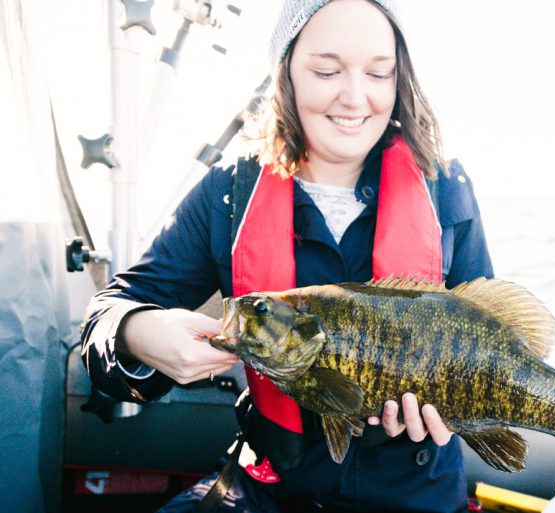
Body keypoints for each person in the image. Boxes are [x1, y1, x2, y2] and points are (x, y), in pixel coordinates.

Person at [80, 0, 494, 511]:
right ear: (286, 73)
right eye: (326, 70)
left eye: (379, 73)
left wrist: (465, 412)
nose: (354, 96)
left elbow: (494, 333)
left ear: (399, 81)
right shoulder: (228, 193)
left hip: (416, 490)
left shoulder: (446, 188)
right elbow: (107, 313)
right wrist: (137, 333)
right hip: (267, 487)